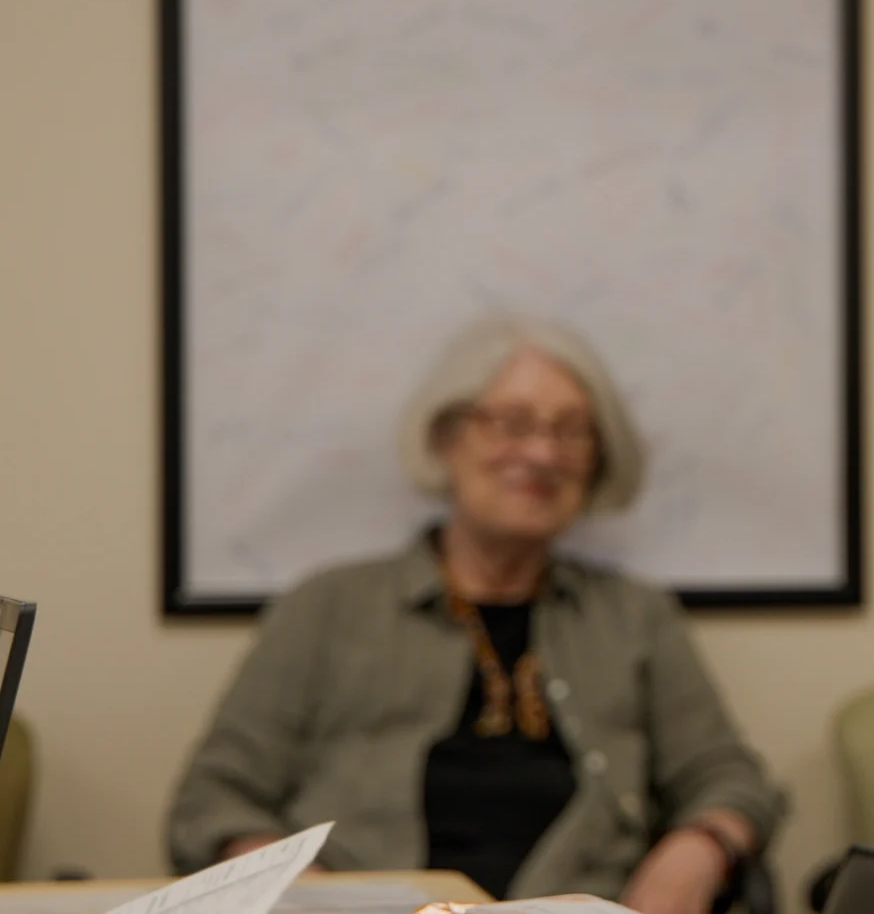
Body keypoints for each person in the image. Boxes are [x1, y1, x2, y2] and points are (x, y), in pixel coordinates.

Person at [168, 317, 785, 912]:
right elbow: (214, 796)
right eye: (512, 424)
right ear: (447, 438)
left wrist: (700, 847)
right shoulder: (329, 607)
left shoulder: (635, 618)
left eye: (571, 431)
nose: (543, 453)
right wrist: (300, 888)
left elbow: (730, 779)